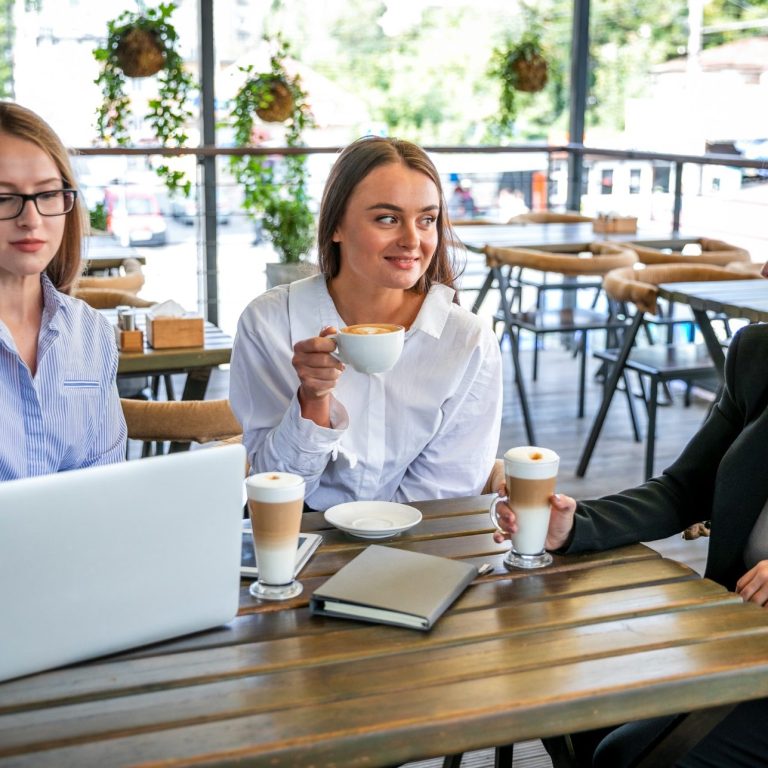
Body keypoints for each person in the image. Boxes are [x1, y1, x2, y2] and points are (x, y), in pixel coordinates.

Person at [492, 320, 768, 766]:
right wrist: (573, 526)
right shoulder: (759, 354)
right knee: (568, 700)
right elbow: (683, 489)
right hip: (735, 633)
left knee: (625, 753)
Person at [230, 136, 502, 510]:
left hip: (419, 536)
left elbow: (444, 493)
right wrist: (312, 401)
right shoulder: (268, 324)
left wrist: (376, 537)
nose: (412, 240)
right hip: (296, 531)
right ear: (336, 226)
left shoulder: (467, 341)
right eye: (387, 219)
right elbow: (275, 490)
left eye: (427, 220)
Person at [0, 102, 126, 481]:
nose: (31, 219)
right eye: (3, 198)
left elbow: (104, 484)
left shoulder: (91, 332)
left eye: (48, 194)